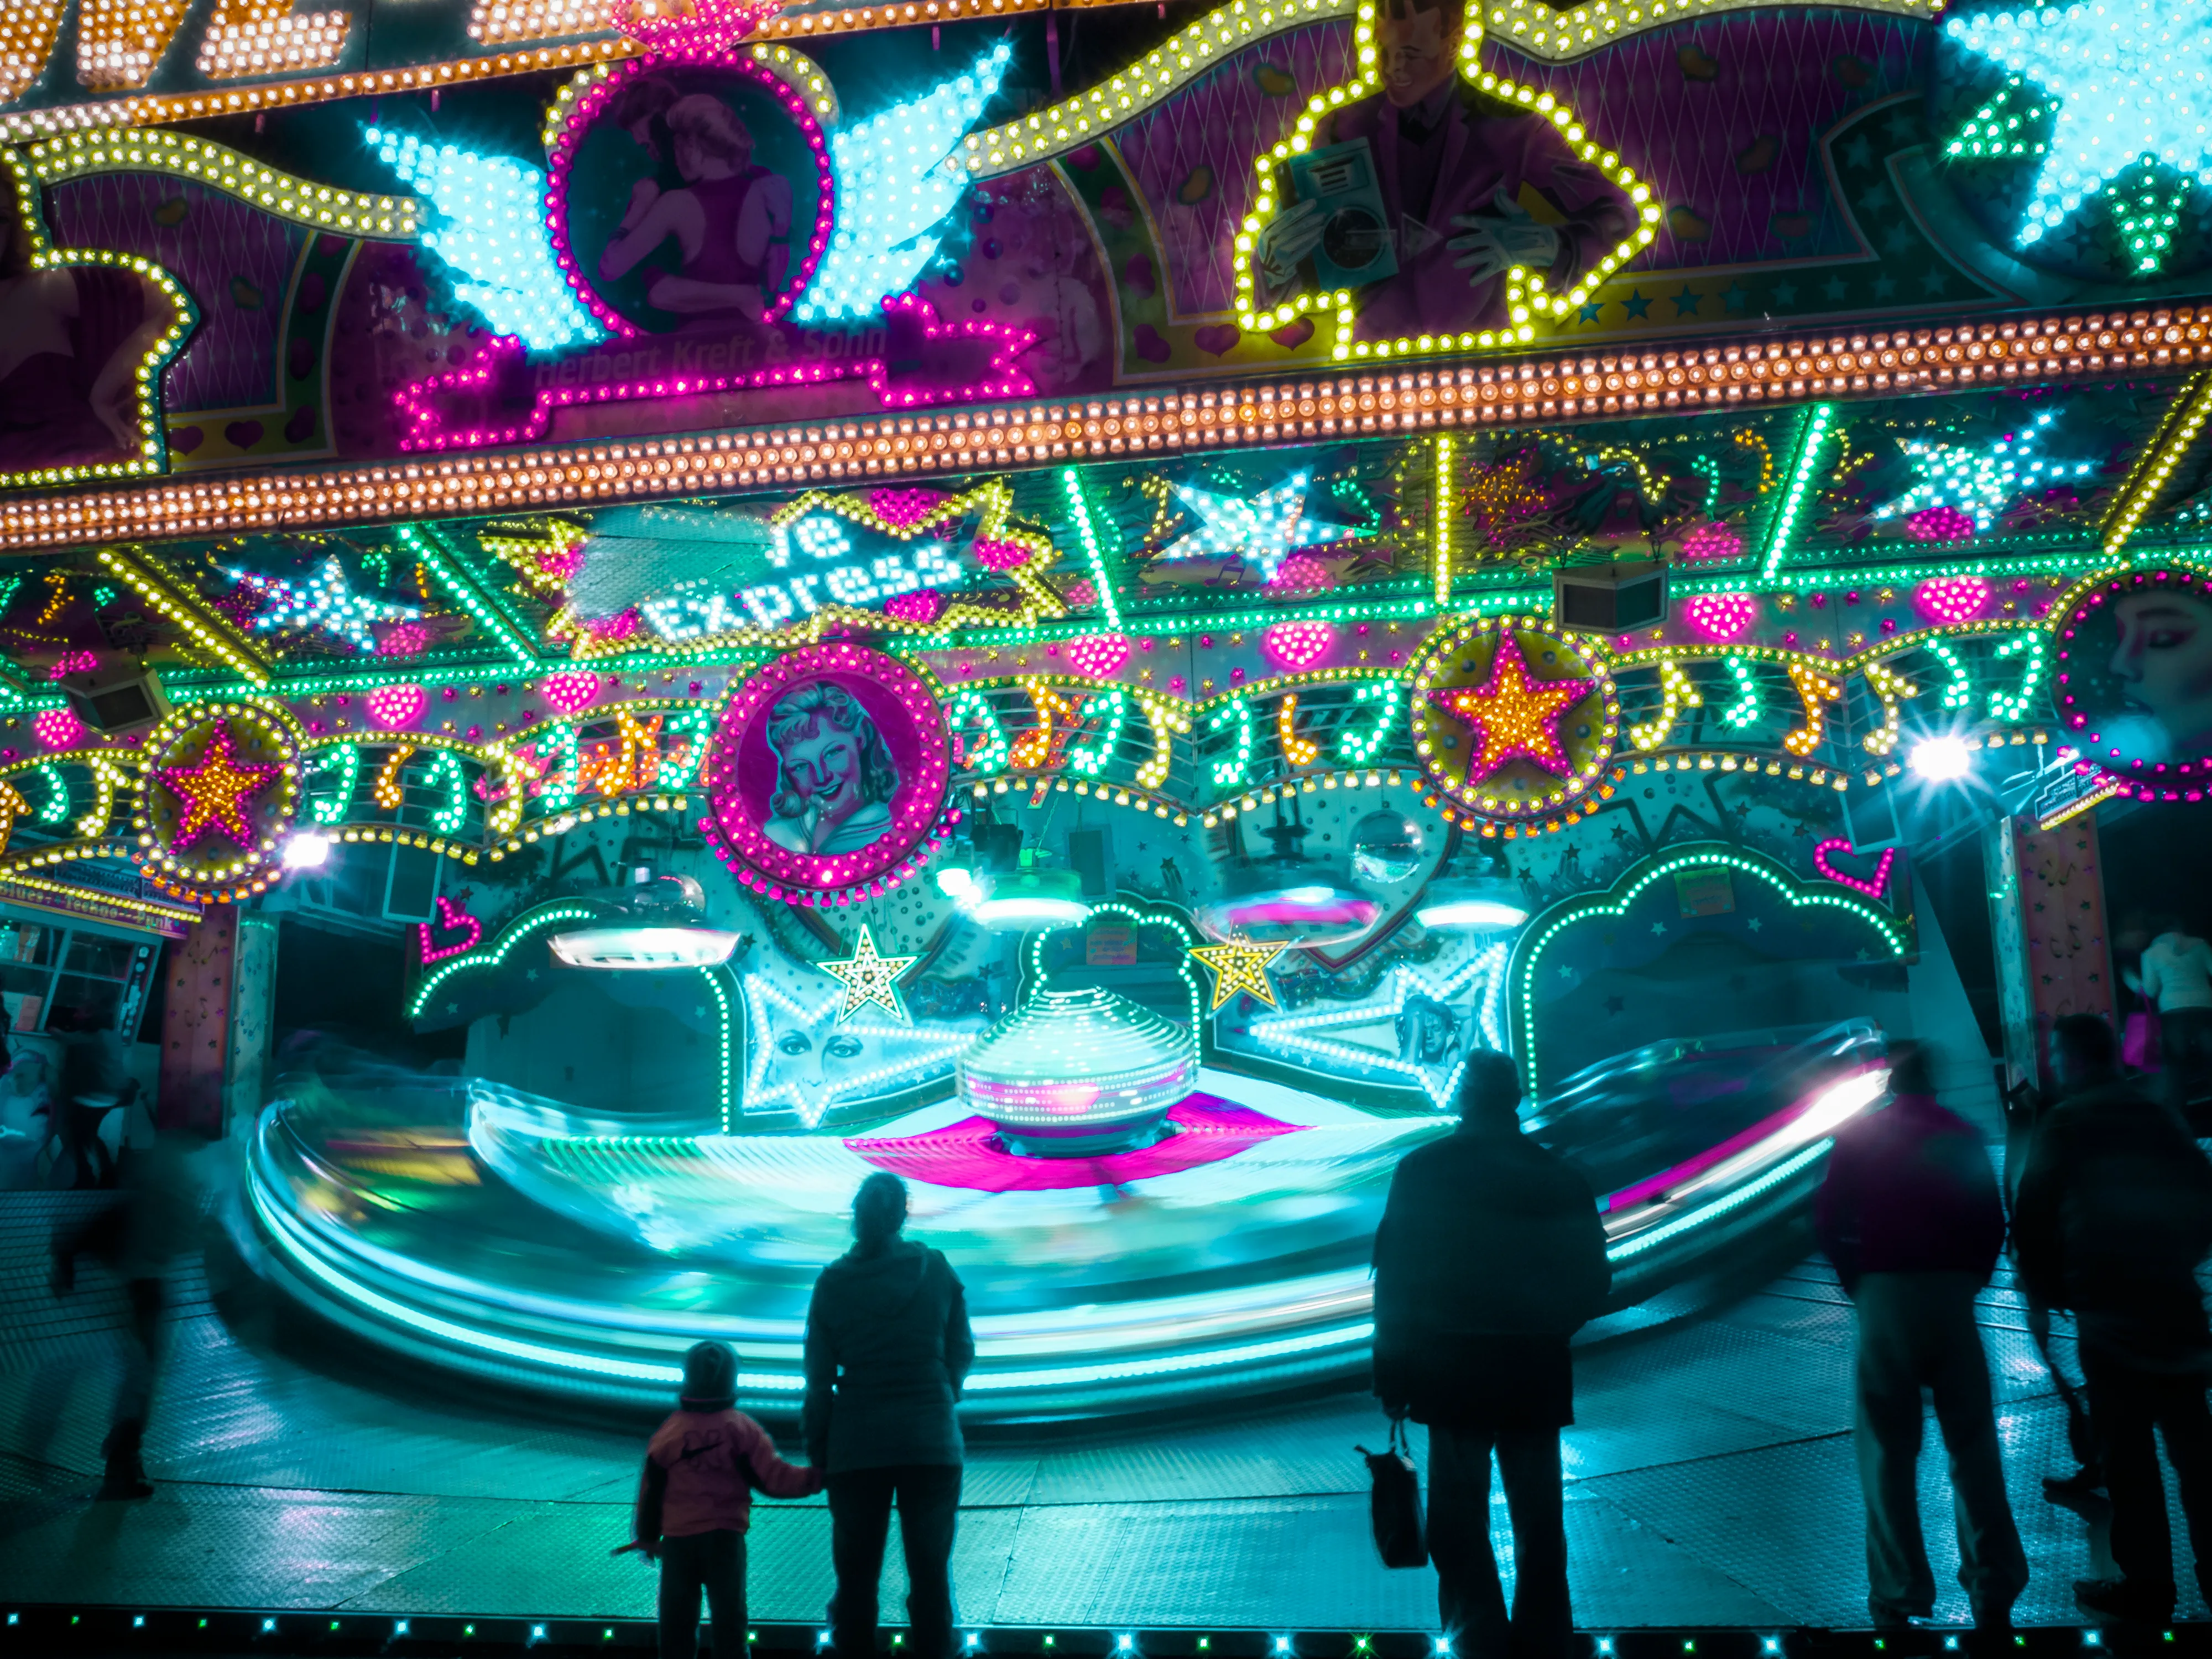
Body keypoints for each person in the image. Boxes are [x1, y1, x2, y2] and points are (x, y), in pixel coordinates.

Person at [1371, 1048, 1610, 1657]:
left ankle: (1476, 1641)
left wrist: (1392, 1375)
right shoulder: (1557, 1174)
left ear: (1461, 1098)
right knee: (1539, 1525)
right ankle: (1544, 1641)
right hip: (1532, 1369)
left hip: (1449, 1372)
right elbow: (1592, 1280)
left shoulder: (1422, 1171)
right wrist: (1547, 1328)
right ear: (1517, 1098)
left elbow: (1395, 1281)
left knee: (1458, 1521)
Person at [1246, 0, 1632, 345]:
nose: (1393, 67)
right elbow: (1314, 256)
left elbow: (1621, 212)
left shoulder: (1512, 127)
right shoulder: (1340, 127)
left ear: (1456, 42)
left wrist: (1550, 246)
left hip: (1484, 365)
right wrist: (1273, 264)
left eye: (1411, 55)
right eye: (1382, 50)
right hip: (1370, 370)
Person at [1814, 1042, 2028, 1630]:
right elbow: (1990, 1215)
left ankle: (1900, 1592)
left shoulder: (1861, 1136)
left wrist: (1858, 1283)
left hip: (1885, 1296)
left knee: (1886, 1451)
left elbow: (1830, 1218)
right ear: (1934, 1082)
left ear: (1889, 1083)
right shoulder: (1958, 1132)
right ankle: (1992, 1585)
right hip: (1951, 1296)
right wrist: (1970, 1279)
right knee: (1973, 1447)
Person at [2013, 1013, 2212, 1624]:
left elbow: (2033, 1216)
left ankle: (2148, 1588)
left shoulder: (2066, 1123)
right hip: (2175, 1310)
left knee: (2128, 1460)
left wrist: (2050, 1295)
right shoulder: (2154, 1115)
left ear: (2072, 1060)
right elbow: (2204, 1197)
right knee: (2198, 1458)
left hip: (2108, 1318)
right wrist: (2177, 1260)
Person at [804, 1172, 974, 1659]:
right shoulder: (936, 1269)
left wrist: (818, 1449)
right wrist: (943, 1394)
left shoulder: (833, 1283)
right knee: (930, 1575)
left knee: (856, 1582)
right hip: (931, 1442)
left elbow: (817, 1381)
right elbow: (961, 1348)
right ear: (903, 1215)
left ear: (856, 1217)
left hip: (857, 1446)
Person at [632, 1340, 825, 1659]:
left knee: (676, 1624)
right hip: (724, 1539)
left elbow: (651, 1491)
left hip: (679, 1542)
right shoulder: (741, 1428)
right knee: (730, 1619)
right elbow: (773, 1478)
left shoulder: (670, 1432)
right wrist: (816, 1477)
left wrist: (648, 1538)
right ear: (731, 1380)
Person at [49, 1131, 197, 1499]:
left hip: (135, 1278)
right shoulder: (172, 1183)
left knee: (140, 1369)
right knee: (142, 1372)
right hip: (138, 1281)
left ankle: (122, 1454)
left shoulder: (166, 1178)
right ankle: (123, 1459)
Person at [598, 93, 792, 324]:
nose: (665, 154)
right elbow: (773, 285)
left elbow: (611, 267)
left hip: (692, 348)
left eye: (670, 143)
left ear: (691, 147)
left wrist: (637, 210)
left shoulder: (677, 202)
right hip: (758, 340)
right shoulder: (770, 187)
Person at [762, 681, 901, 857]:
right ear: (788, 771)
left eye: (832, 753)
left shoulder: (890, 835)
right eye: (801, 766)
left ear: (861, 739)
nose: (821, 777)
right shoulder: (776, 835)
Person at [2129, 915, 2212, 1123]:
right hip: (2205, 1006)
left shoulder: (2151, 954)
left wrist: (2130, 980)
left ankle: (2181, 1120)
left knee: (2177, 1066)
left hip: (2173, 1011)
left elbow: (2150, 990)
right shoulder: (2201, 945)